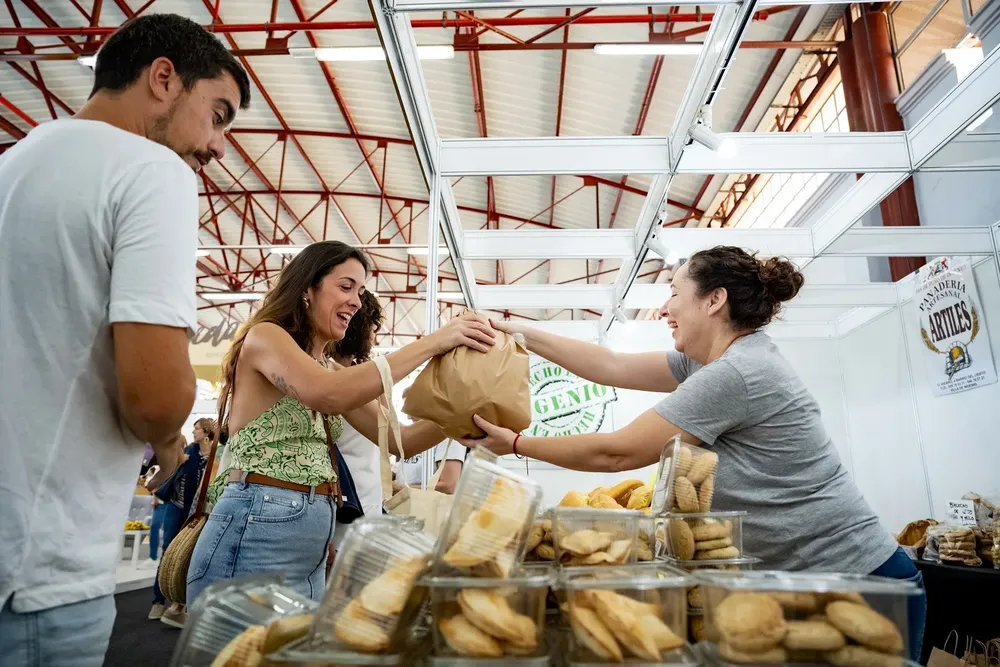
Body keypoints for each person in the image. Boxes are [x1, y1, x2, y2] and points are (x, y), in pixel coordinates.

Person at [463, 246, 926, 659]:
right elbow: (610, 366)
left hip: (860, 582)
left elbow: (618, 454)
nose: (664, 307)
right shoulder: (715, 361)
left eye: (674, 292)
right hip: (803, 580)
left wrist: (517, 445)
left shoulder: (738, 372)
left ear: (713, 300)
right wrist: (516, 331)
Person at [0, 14, 250, 667]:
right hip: (42, 569)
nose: (219, 145)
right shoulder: (152, 170)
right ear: (163, 78)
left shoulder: (17, 162)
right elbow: (156, 396)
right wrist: (171, 441)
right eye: (218, 114)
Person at [185, 241, 495, 604]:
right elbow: (327, 393)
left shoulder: (328, 368)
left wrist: (468, 420)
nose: (357, 302)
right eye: (346, 287)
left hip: (309, 541)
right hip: (255, 527)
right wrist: (432, 344)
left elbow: (400, 441)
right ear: (306, 289)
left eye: (360, 291)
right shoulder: (267, 337)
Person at [152, 418, 217, 626]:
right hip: (178, 507)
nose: (194, 431)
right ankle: (158, 600)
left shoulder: (216, 455)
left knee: (192, 554)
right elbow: (170, 469)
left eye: (197, 428)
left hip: (199, 511)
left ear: (206, 432)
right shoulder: (188, 451)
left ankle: (181, 602)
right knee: (168, 551)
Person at [396, 441, 467, 494]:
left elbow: (449, 487)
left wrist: (401, 490)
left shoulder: (449, 439)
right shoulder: (417, 436)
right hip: (403, 506)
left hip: (428, 507)